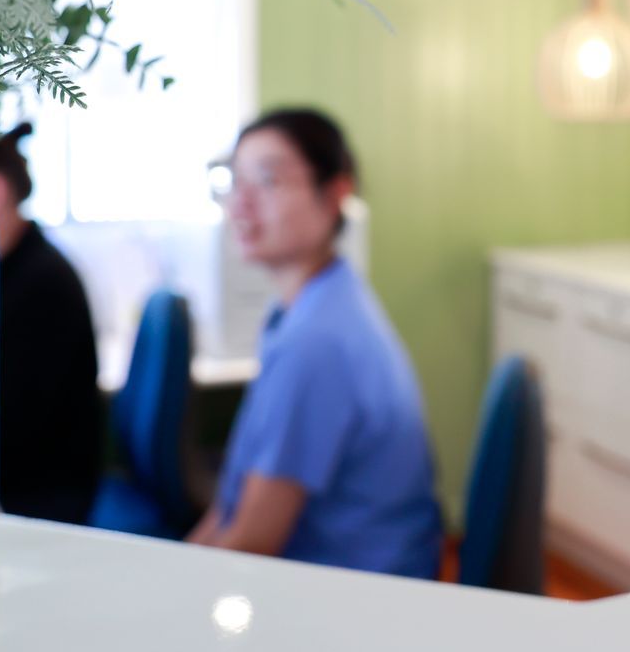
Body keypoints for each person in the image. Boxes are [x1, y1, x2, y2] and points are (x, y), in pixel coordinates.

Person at [188, 108, 444, 578]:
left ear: (336, 193)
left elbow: (251, 541)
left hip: (357, 598)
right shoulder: (315, 303)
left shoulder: (317, 341)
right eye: (234, 181)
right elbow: (233, 505)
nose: (240, 205)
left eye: (266, 181)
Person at [0, 124, 104, 524]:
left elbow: (12, 423)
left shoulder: (41, 283)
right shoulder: (8, 270)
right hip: (21, 483)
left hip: (42, 500)